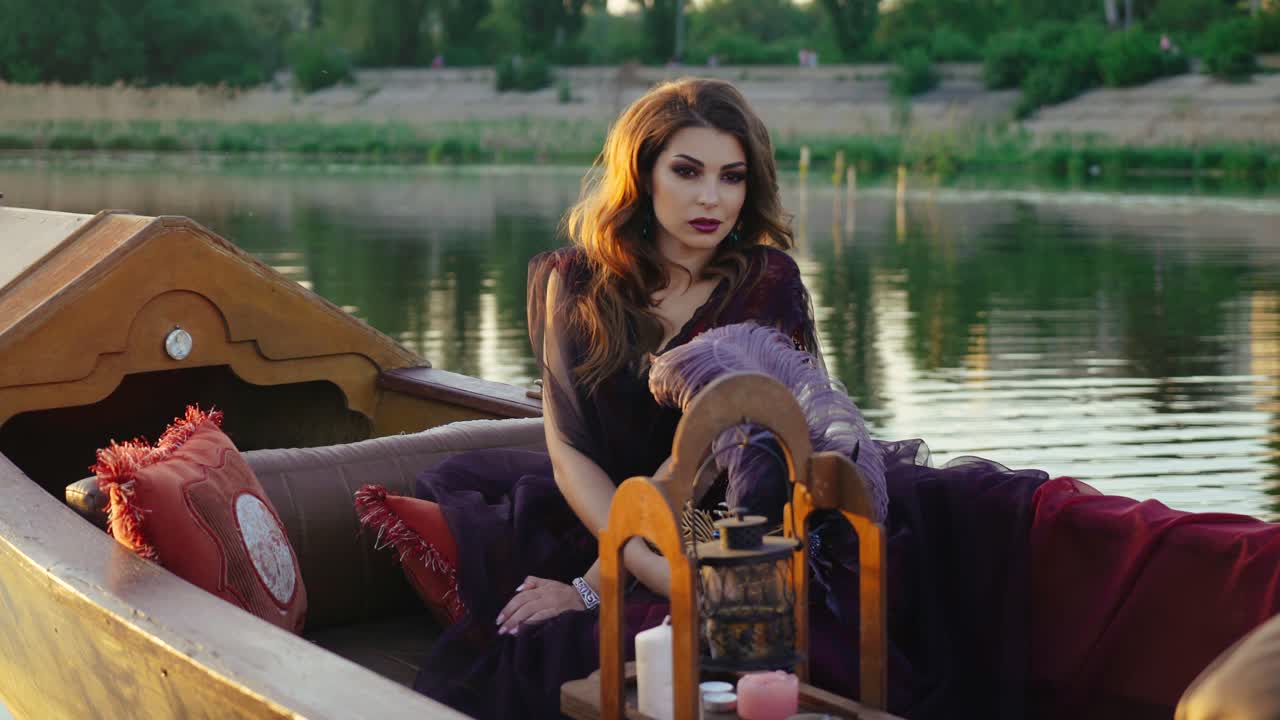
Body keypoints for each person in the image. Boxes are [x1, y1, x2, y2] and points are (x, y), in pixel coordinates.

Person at [409, 78, 1055, 720]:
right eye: (687, 172)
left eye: (732, 177)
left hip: (733, 523)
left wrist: (683, 582)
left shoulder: (767, 283)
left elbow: (741, 464)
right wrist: (602, 578)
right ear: (643, 174)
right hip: (607, 518)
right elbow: (569, 454)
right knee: (529, 658)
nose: (711, 199)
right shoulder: (575, 282)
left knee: (791, 639)